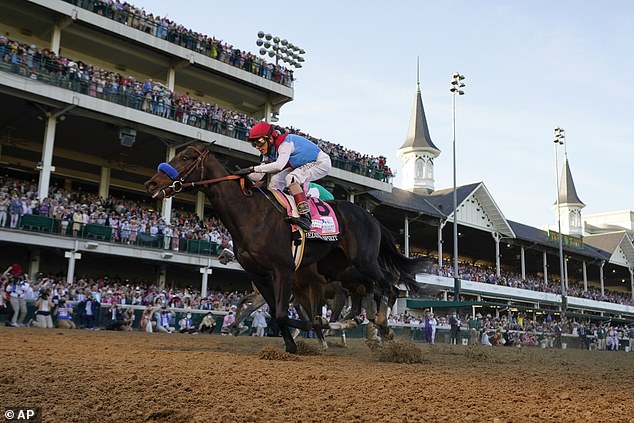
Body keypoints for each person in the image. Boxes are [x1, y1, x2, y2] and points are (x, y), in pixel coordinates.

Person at [235, 122, 332, 231]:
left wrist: (251, 169)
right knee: (275, 181)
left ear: (270, 139)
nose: (257, 147)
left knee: (292, 177)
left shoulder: (285, 143)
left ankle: (306, 217)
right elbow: (258, 175)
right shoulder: (267, 153)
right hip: (300, 165)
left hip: (320, 161)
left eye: (259, 142)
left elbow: (279, 166)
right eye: (254, 144)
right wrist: (239, 174)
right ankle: (273, 213)